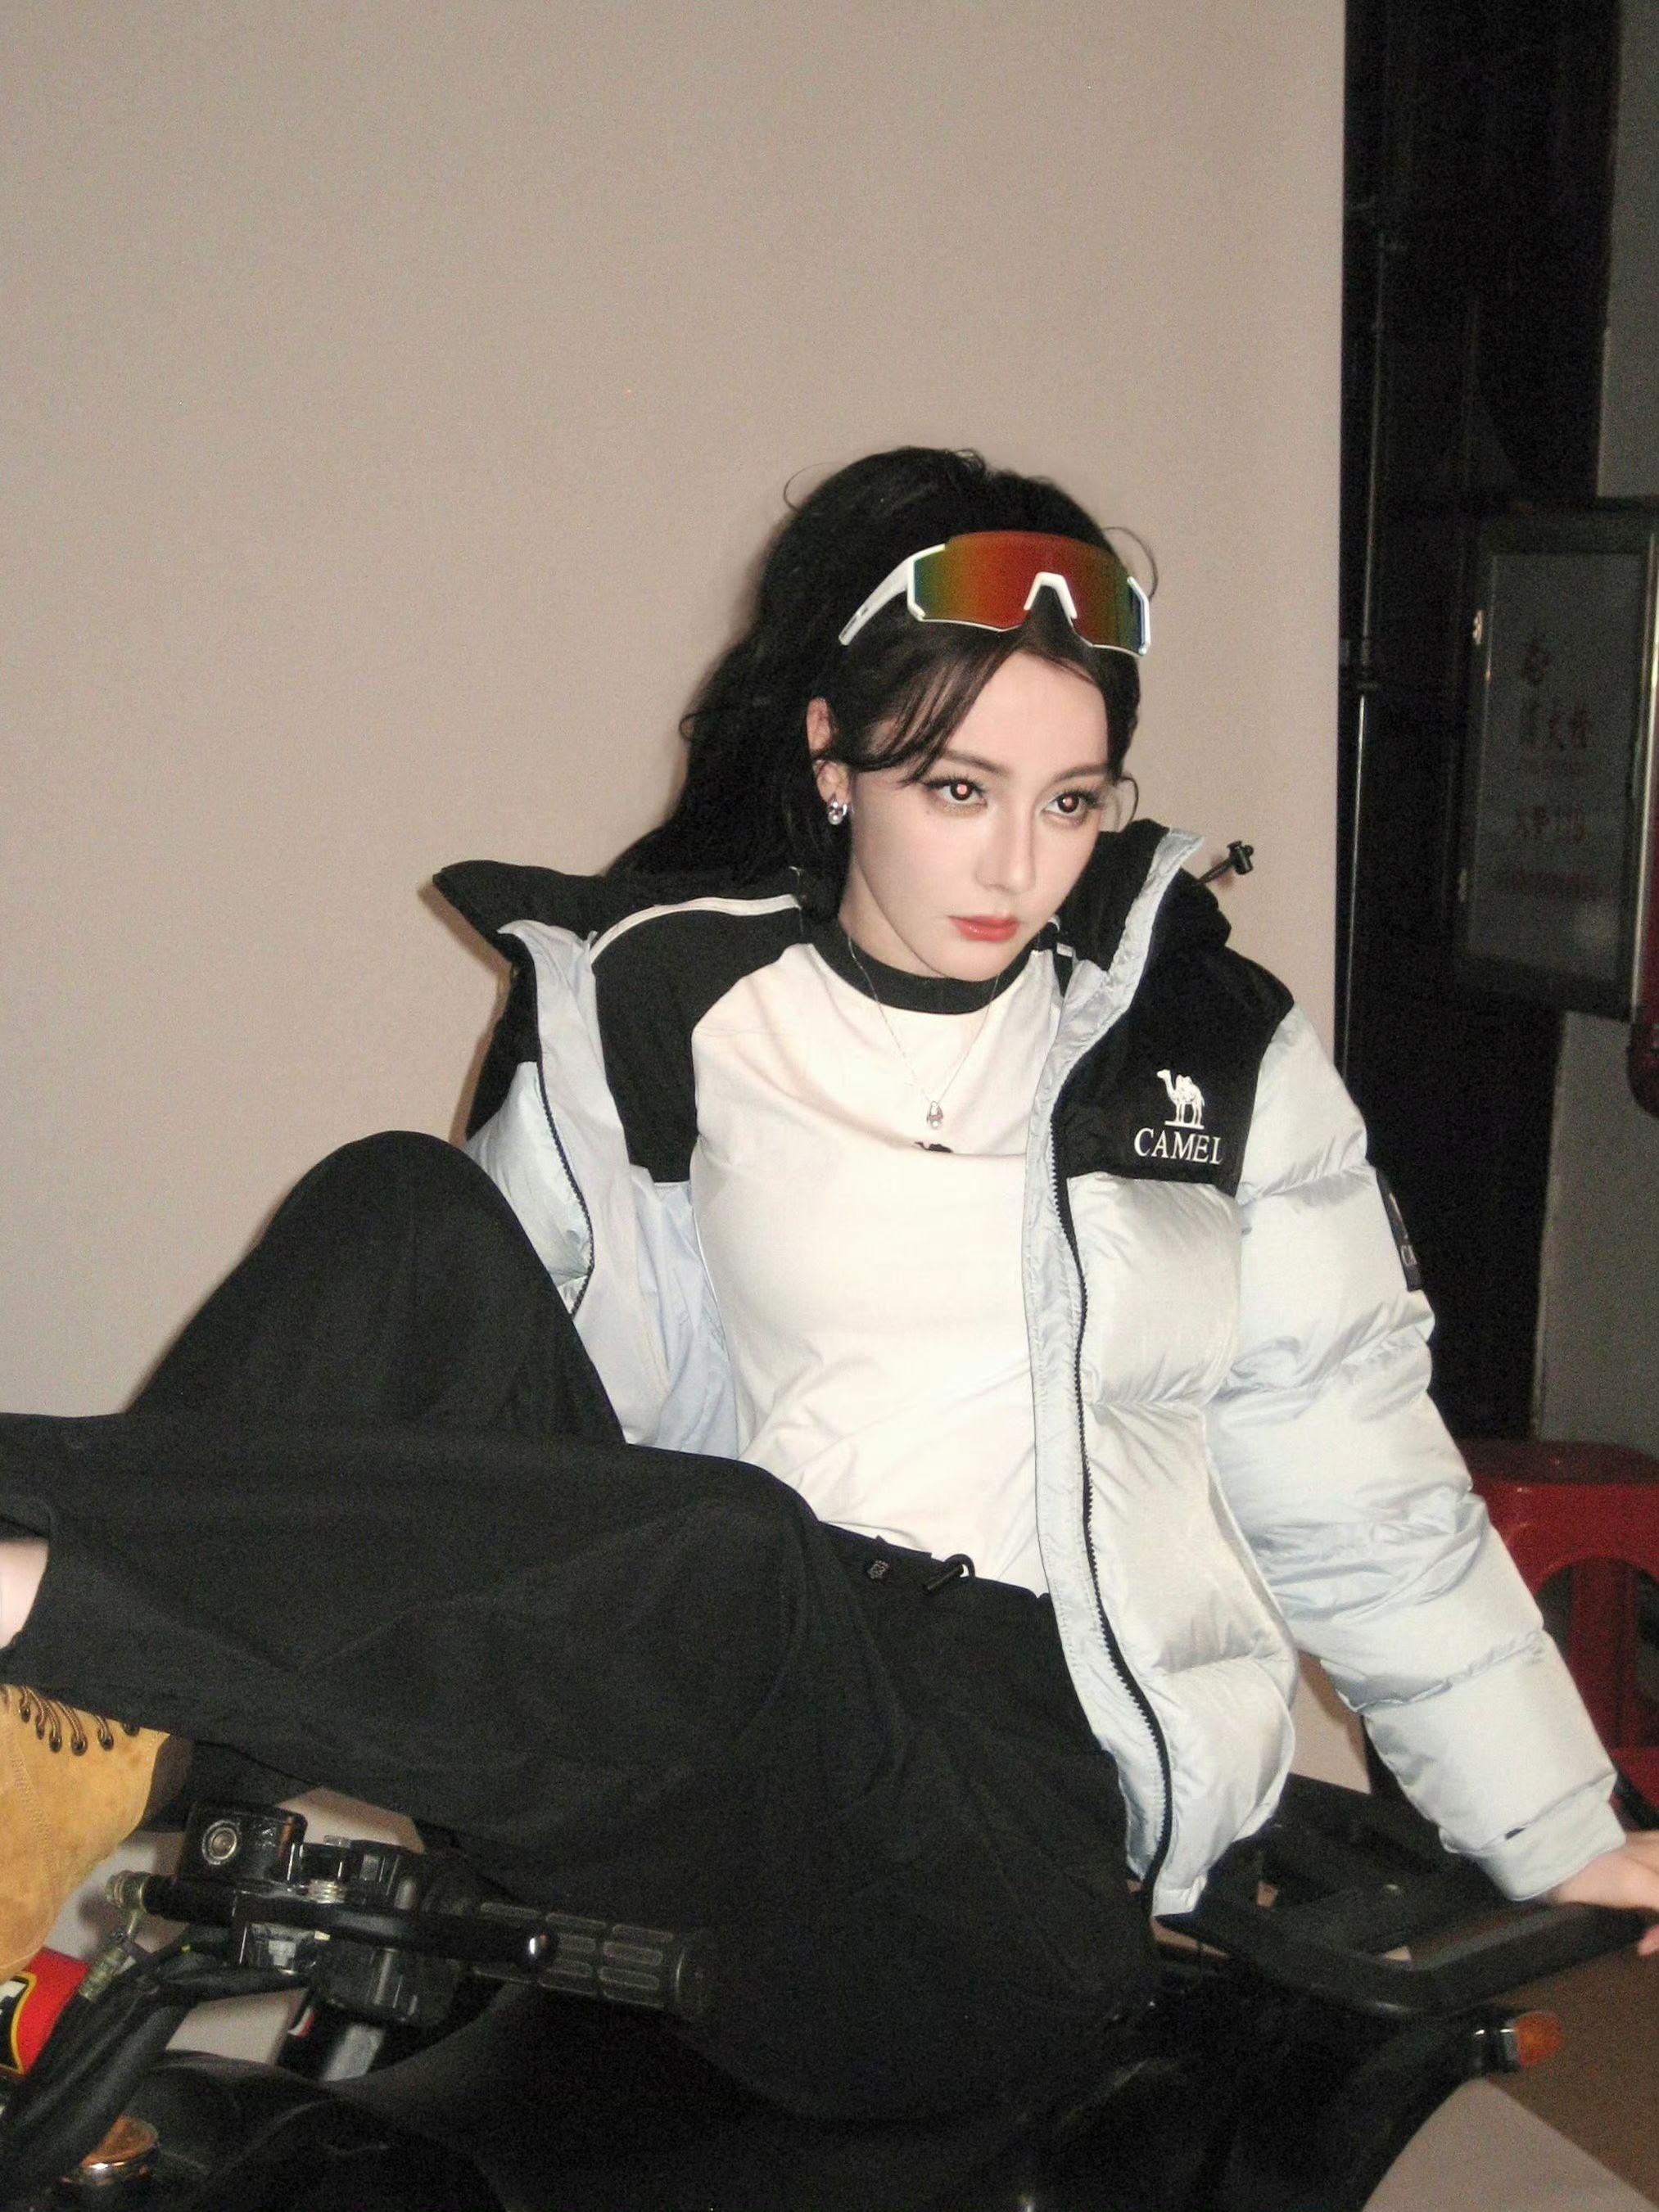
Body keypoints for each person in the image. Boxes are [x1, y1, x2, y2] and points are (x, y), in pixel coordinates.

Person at [1, 446, 1654, 2133]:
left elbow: (1358, 1483)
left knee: (741, 1555)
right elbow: (471, 1423)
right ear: (830, 758)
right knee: (401, 1211)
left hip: (1003, 1846)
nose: (1016, 866)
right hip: (710, 1753)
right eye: (957, 789)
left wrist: (1556, 1825)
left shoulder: (1207, 1051)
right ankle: (26, 1772)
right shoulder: (668, 1004)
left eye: (1070, 802)